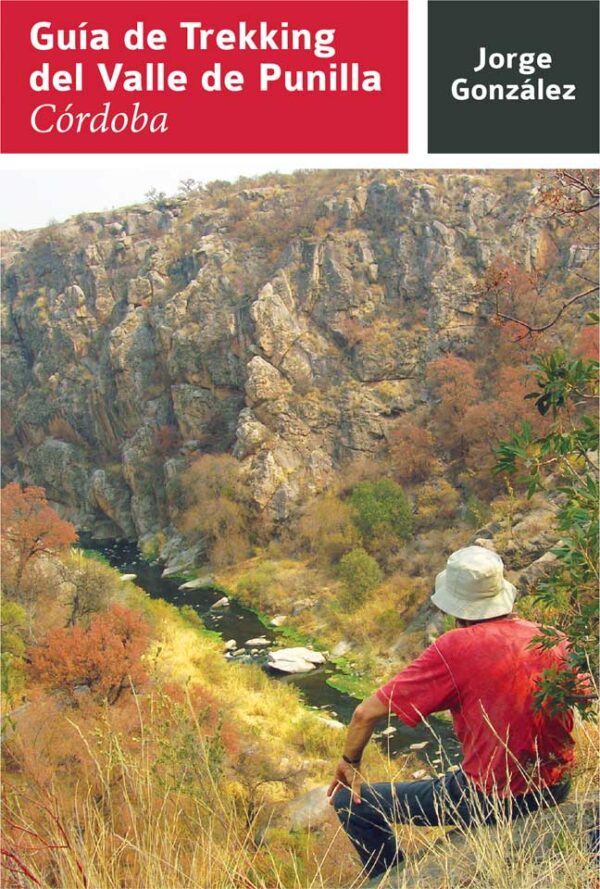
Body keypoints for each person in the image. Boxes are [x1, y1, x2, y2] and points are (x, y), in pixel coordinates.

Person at [327, 545, 577, 886]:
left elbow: (364, 714)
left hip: (491, 799)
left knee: (349, 802)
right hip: (557, 785)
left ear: (456, 605)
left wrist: (349, 763)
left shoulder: (455, 647)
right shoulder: (553, 638)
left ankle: (392, 879)